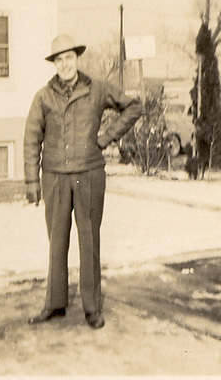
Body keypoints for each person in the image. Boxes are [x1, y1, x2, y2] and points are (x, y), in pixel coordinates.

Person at [23, 34, 143, 329]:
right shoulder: (43, 96)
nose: (65, 64)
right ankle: (55, 303)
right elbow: (30, 139)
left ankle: (92, 307)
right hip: (54, 176)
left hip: (89, 173)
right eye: (59, 59)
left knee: (89, 241)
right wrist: (31, 181)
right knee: (57, 242)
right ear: (54, 64)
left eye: (69, 58)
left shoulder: (98, 89)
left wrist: (105, 137)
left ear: (78, 59)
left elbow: (133, 107)